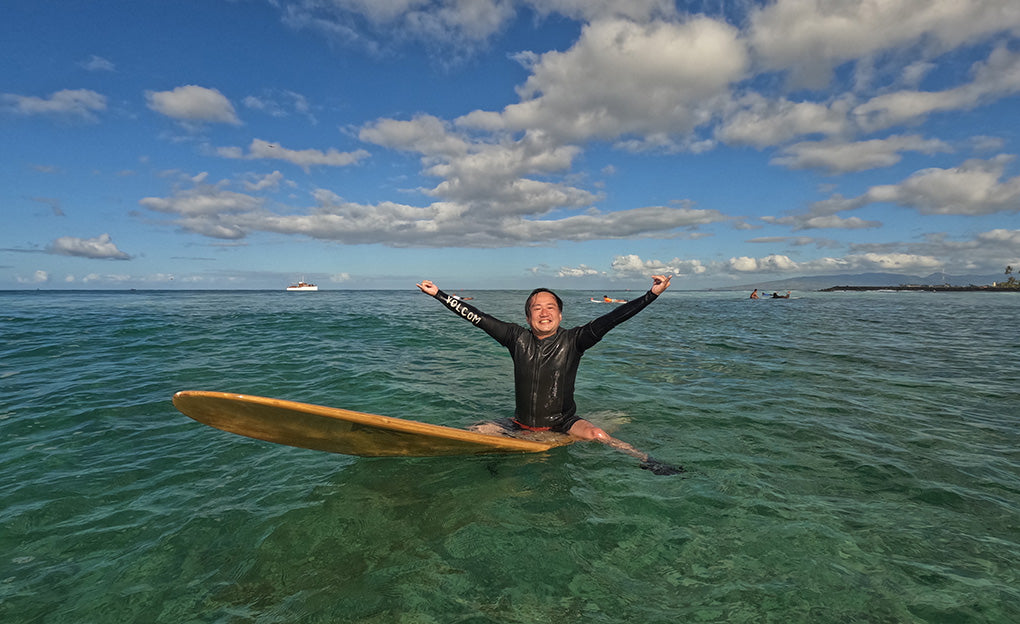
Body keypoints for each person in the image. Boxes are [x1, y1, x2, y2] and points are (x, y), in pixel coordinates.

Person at [416, 275, 680, 474]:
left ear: (560, 314)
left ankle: (649, 462)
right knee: (473, 432)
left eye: (550, 307)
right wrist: (439, 294)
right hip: (519, 423)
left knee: (598, 434)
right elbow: (477, 317)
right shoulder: (514, 337)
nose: (544, 312)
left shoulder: (576, 339)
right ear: (528, 317)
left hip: (562, 423)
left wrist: (651, 294)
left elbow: (613, 318)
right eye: (537, 308)